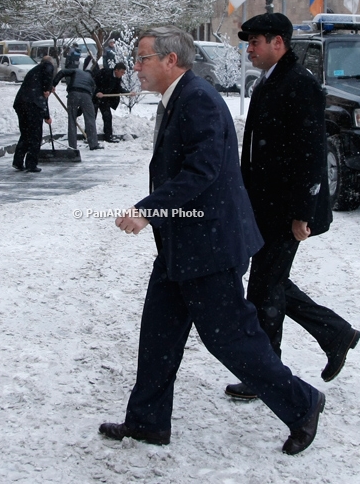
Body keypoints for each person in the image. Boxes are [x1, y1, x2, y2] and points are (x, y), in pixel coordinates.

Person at [98, 26, 325, 456]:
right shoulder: (180, 97)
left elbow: (200, 172)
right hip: (180, 248)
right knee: (159, 336)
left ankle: (302, 403)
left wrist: (149, 209)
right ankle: (147, 422)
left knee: (231, 339)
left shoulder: (198, 99)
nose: (137, 67)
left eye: (144, 58)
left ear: (170, 60)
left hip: (209, 248)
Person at [224, 13, 360, 402]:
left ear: (278, 43)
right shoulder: (271, 81)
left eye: (255, 42)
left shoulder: (300, 85)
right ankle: (334, 334)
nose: (248, 49)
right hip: (264, 207)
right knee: (271, 284)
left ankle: (267, 375)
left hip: (286, 212)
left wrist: (303, 211)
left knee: (265, 291)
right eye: (248, 42)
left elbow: (310, 154)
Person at [13, 56, 55, 173]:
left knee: (26, 134)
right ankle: (31, 164)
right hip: (33, 106)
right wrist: (47, 88)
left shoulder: (34, 71)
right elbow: (42, 96)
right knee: (35, 135)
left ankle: (18, 161)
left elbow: (41, 94)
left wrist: (46, 116)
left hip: (21, 103)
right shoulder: (47, 66)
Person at [53, 61, 102, 150]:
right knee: (90, 119)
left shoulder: (76, 71)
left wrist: (53, 84)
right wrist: (80, 111)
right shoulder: (92, 81)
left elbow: (62, 72)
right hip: (86, 96)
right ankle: (93, 144)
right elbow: (91, 96)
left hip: (73, 93)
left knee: (72, 120)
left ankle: (72, 146)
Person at [93, 62, 129, 142]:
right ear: (116, 70)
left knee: (107, 116)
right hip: (95, 97)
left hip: (105, 98)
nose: (122, 74)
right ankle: (89, 135)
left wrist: (127, 92)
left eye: (124, 73)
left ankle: (108, 136)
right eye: (122, 72)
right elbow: (94, 82)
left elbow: (118, 88)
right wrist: (97, 92)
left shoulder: (118, 78)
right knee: (92, 116)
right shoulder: (105, 72)